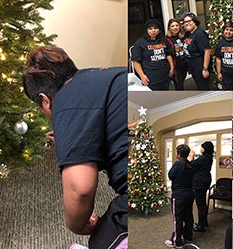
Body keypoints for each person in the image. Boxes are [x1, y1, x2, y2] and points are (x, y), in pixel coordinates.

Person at [22, 45, 127, 249]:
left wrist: (77, 226)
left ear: (44, 100)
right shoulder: (100, 74)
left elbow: (80, 189)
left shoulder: (64, 101)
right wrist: (68, 139)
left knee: (100, 241)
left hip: (135, 195)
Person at [165, 144, 196, 249]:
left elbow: (170, 175)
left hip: (179, 196)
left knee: (177, 219)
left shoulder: (178, 164)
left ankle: (176, 242)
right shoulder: (190, 164)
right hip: (189, 194)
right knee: (188, 216)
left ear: (178, 154)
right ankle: (188, 237)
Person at [131, 19, 174, 90]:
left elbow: (168, 54)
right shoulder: (140, 42)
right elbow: (135, 61)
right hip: (151, 77)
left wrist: (172, 68)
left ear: (159, 30)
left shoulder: (164, 40)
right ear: (146, 30)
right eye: (150, 28)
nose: (153, 30)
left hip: (165, 75)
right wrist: (142, 76)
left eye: (155, 28)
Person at [182, 12, 211, 90]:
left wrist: (205, 69)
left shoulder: (200, 33)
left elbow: (207, 51)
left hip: (200, 65)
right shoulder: (188, 33)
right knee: (199, 86)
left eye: (189, 21)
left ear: (194, 21)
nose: (187, 23)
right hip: (192, 65)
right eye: (185, 22)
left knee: (203, 87)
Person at [190, 141, 214, 233]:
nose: (200, 148)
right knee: (203, 202)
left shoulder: (203, 158)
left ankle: (201, 226)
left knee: (200, 204)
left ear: (205, 149)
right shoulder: (208, 157)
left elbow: (191, 166)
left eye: (202, 147)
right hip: (205, 181)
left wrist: (192, 156)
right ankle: (204, 222)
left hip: (200, 182)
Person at [166, 18, 187, 90]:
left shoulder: (183, 37)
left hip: (184, 64)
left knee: (182, 82)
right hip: (175, 66)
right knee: (179, 85)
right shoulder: (167, 39)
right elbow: (168, 54)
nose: (175, 28)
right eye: (172, 26)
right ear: (169, 28)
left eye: (177, 25)